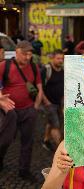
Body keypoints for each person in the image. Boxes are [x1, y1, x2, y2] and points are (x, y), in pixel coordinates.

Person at [0, 40, 43, 181]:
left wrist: (35, 107)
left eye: (30, 54)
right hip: (10, 111)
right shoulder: (4, 66)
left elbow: (39, 87)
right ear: (17, 52)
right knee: (5, 140)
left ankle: (24, 170)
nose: (27, 57)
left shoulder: (34, 67)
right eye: (24, 54)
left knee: (28, 142)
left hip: (28, 110)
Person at [42, 49, 64, 151]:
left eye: (62, 58)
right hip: (49, 103)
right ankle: (61, 149)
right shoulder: (46, 70)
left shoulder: (63, 70)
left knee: (51, 122)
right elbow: (39, 87)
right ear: (52, 58)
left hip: (59, 102)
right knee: (55, 125)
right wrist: (46, 101)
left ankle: (46, 140)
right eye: (58, 58)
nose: (60, 60)